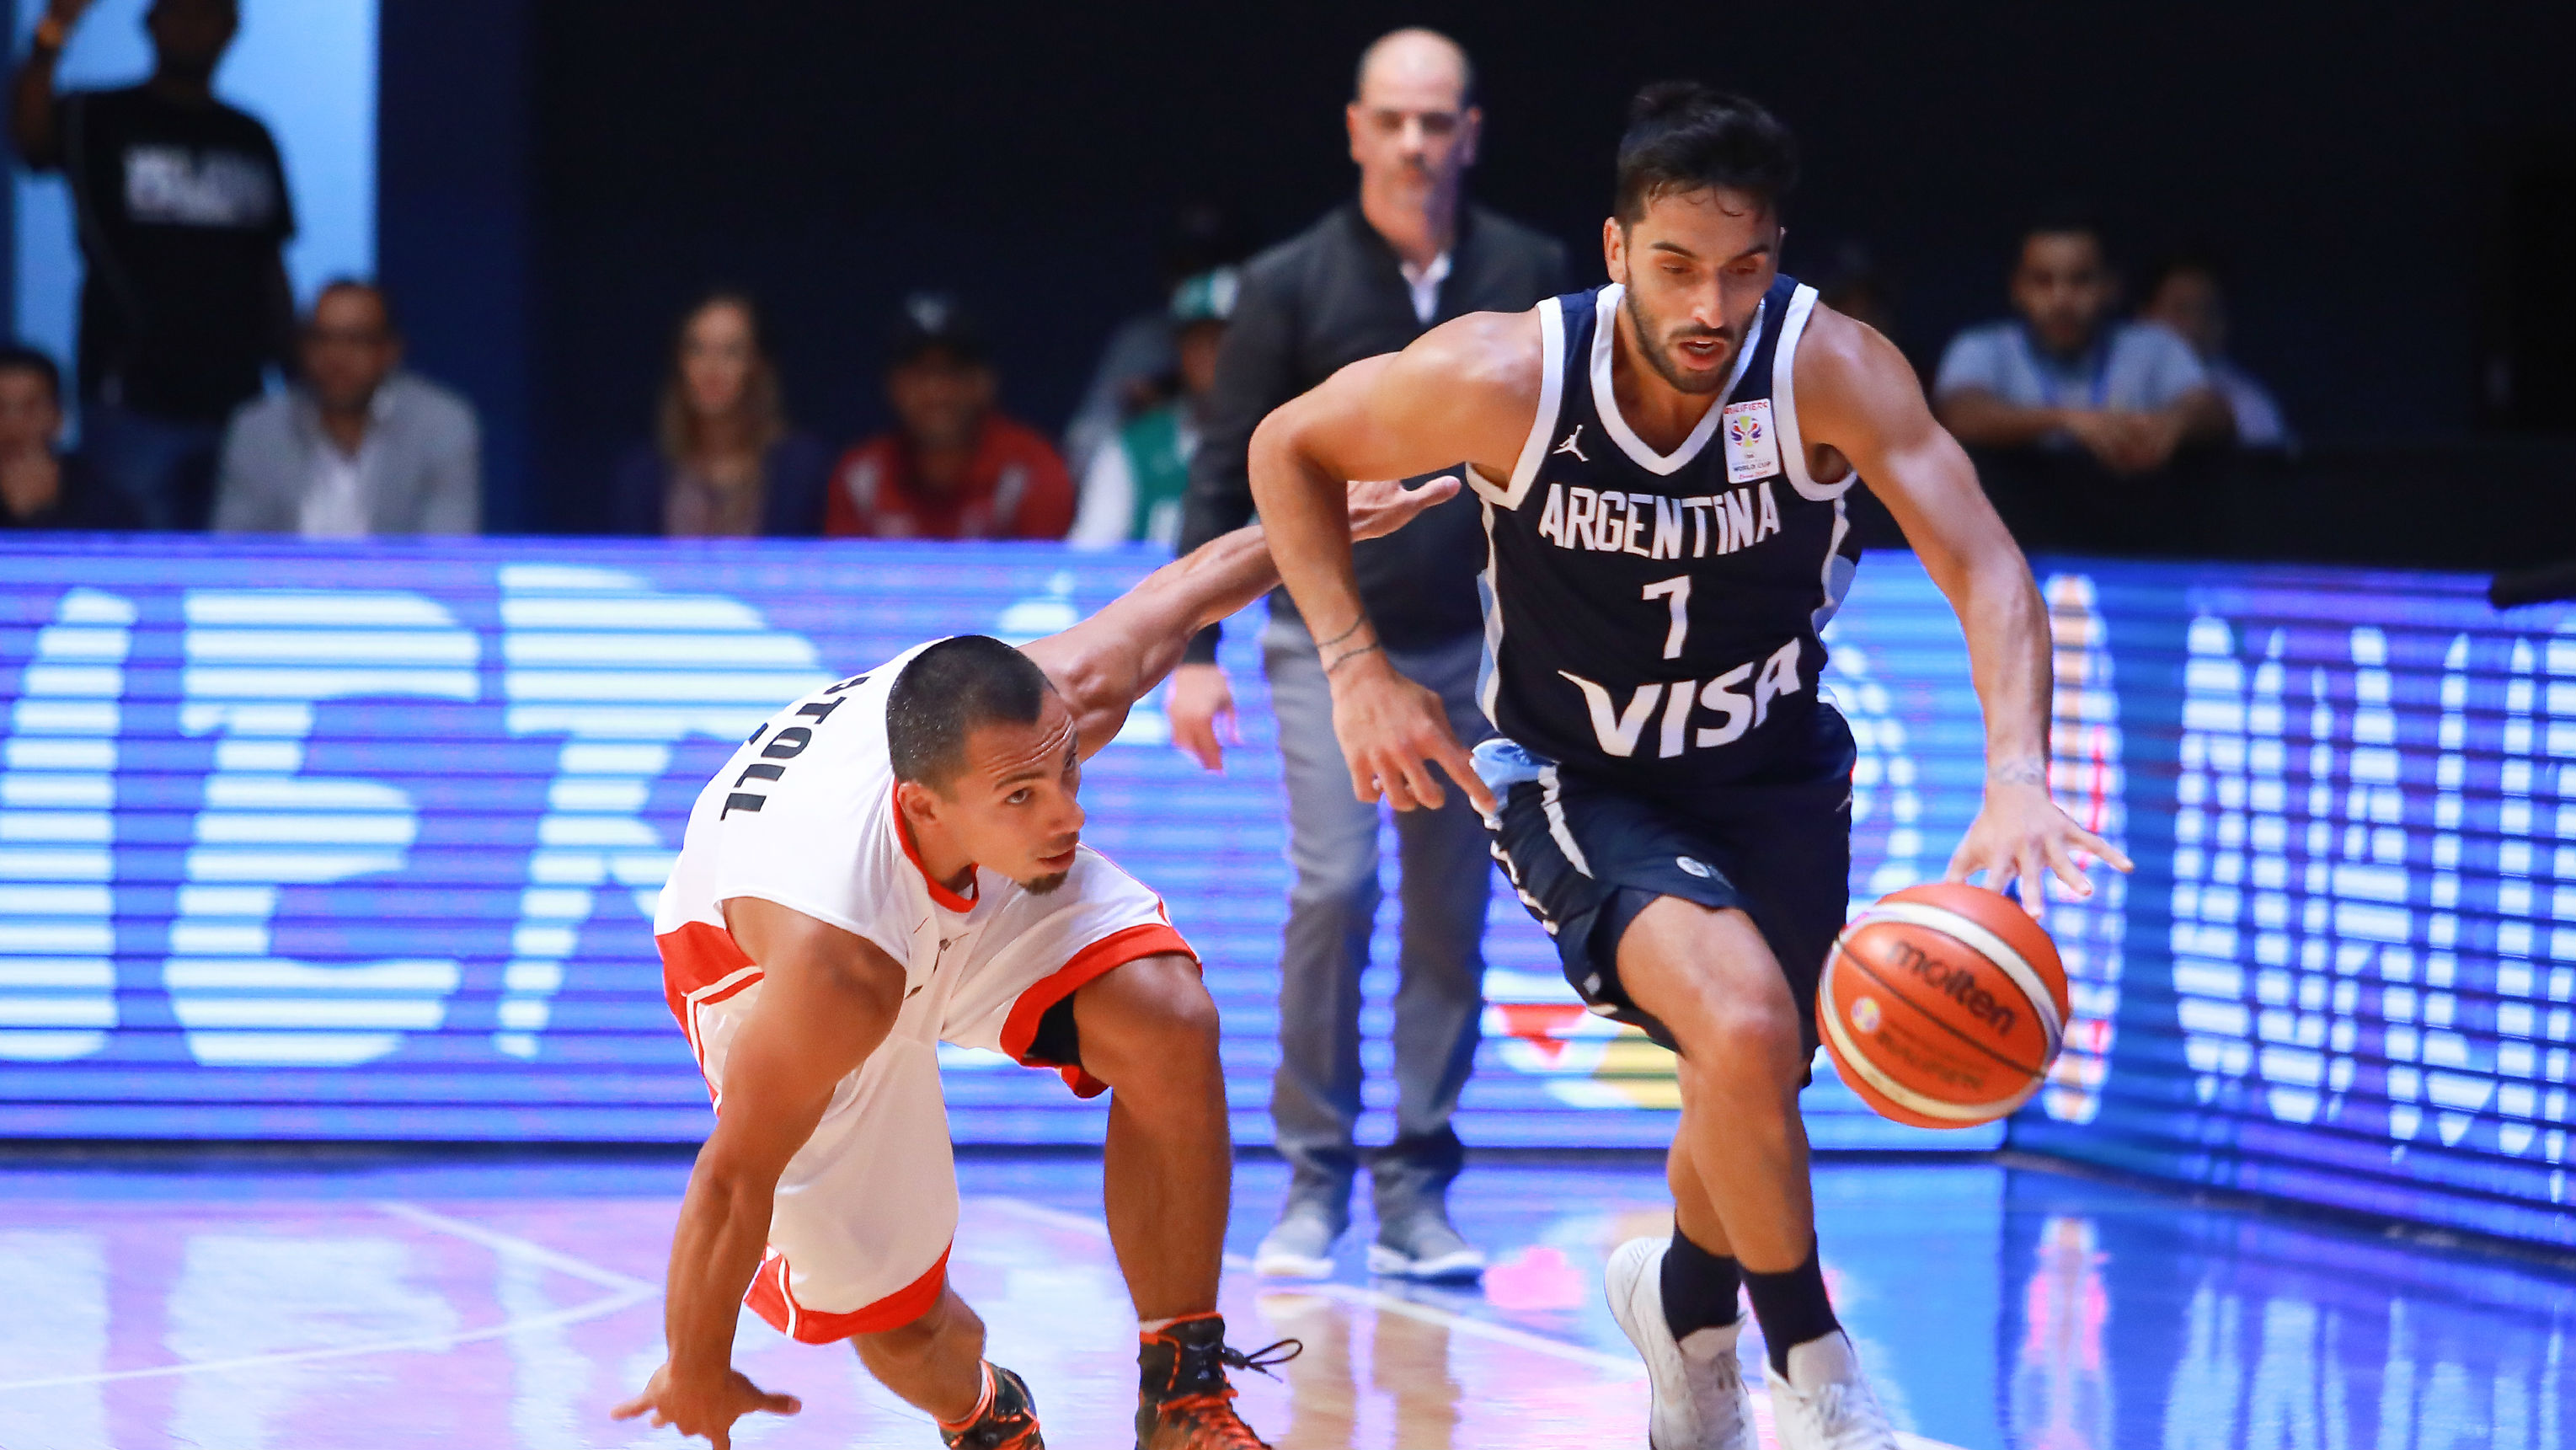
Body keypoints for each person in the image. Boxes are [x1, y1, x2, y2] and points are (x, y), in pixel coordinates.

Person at [1245, 84, 2130, 1450]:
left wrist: (2017, 766)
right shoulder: (1508, 374)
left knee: (1752, 1079)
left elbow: (1984, 561)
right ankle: (1820, 1378)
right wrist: (1357, 667)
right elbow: (1284, 443)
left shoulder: (1828, 368)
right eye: (1674, 266)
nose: (1708, 304)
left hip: (1772, 770)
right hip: (1574, 774)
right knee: (1741, 1023)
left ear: (1773, 256)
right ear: (1614, 251)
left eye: (1741, 267)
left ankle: (1681, 1303)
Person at [612, 471, 1460, 1450]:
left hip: (947, 862)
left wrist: (1320, 524)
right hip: (767, 950)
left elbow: (1183, 589)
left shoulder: (1043, 725)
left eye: (1067, 769)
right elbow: (729, 1179)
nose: (1069, 812)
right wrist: (697, 1365)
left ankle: (1180, 1392)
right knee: (897, 1316)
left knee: (1166, 1012)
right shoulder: (833, 973)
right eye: (1027, 793)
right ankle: (981, 1407)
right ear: (926, 804)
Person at [1168, 26, 1567, 1285]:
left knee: (1452, 919)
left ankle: (1418, 1184)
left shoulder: (1528, 270)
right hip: (1318, 644)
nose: (1413, 142)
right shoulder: (1285, 283)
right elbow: (1229, 457)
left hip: (1473, 655)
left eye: (1435, 120)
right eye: (1391, 119)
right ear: (1354, 131)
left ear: (1469, 133)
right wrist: (1194, 647)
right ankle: (1311, 1177)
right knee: (1333, 892)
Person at [9, 0, 294, 531]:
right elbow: (30, 142)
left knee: (238, 566)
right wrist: (52, 34)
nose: (192, 26)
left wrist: (296, 381)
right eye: (179, 12)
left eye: (207, 14)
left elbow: (269, 266)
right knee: (137, 566)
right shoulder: (100, 115)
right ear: (151, 24)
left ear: (231, 29)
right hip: (132, 397)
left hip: (239, 397)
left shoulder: (249, 135)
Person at [1932, 208, 2231, 475]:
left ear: (2112, 286)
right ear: (2017, 288)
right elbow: (1959, 414)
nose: (2061, 300)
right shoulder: (1981, 346)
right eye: (2043, 281)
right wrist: (2068, 421)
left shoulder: (2155, 346)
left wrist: (2175, 424)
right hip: (2013, 522)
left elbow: (2215, 413)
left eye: (2081, 280)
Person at [211, 281, 480, 537]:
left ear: (390, 350)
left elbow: (447, 554)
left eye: (356, 340)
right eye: (322, 339)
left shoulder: (441, 425)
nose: (336, 357)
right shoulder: (258, 429)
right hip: (287, 585)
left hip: (399, 586)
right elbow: (235, 551)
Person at [825, 294, 1074, 540]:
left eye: (954, 372)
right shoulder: (861, 477)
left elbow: (1047, 576)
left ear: (985, 382)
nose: (937, 392)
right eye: (920, 373)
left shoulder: (1032, 470)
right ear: (893, 385)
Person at [612, 290, 831, 537]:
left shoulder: (799, 469)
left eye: (731, 352)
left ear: (757, 365)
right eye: (697, 350)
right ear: (679, 363)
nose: (711, 369)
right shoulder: (642, 474)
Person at [1061, 201, 1249, 486]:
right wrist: (1147, 427)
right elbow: (1083, 449)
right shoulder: (1141, 344)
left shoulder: (1277, 336)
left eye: (1218, 265)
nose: (1203, 283)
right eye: (1189, 269)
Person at [1068, 268, 1237, 549]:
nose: (1208, 357)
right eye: (1196, 341)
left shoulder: (1287, 438)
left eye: (1221, 339)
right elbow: (1089, 557)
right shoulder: (1132, 447)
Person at [2139, 254, 2290, 449]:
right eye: (2181, 310)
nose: (2195, 327)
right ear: (2145, 315)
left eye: (2208, 311)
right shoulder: (2114, 379)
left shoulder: (2251, 405)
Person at [0, 344, 139, 529]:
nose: (14, 424)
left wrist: (38, 515)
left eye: (31, 407)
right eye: (1, 408)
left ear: (58, 416)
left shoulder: (96, 494)